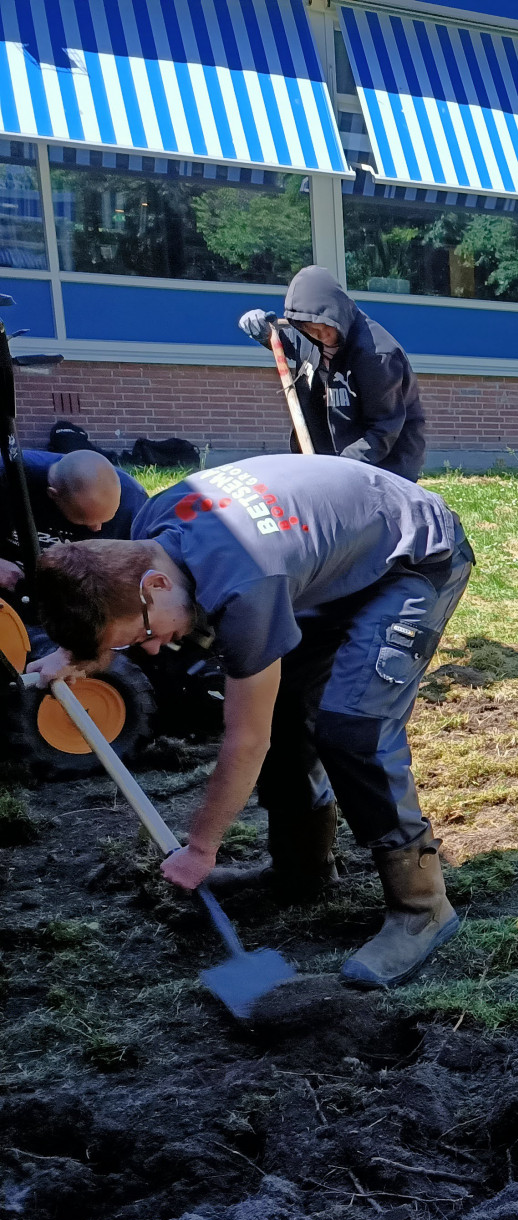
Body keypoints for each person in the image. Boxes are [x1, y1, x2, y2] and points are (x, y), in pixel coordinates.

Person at [29, 455, 474, 989]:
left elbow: (246, 739)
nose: (150, 646)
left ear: (154, 587)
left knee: (353, 726)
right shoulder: (150, 530)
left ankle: (421, 907)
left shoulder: (245, 589)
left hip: (412, 556)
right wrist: (78, 651)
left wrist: (199, 849)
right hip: (326, 555)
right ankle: (302, 872)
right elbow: (102, 592)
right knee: (284, 708)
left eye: (141, 632)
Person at [238, 266, 428, 482]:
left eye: (324, 327)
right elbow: (291, 343)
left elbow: (383, 428)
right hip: (330, 460)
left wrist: (340, 468)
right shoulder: (312, 337)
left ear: (335, 313)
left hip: (384, 466)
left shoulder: (376, 354)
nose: (322, 336)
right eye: (310, 330)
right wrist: (265, 334)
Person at [0, 448, 148, 592]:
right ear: (53, 495)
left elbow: (146, 566)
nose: (97, 528)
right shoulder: (9, 477)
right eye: (84, 521)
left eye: (108, 518)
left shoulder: (134, 500)